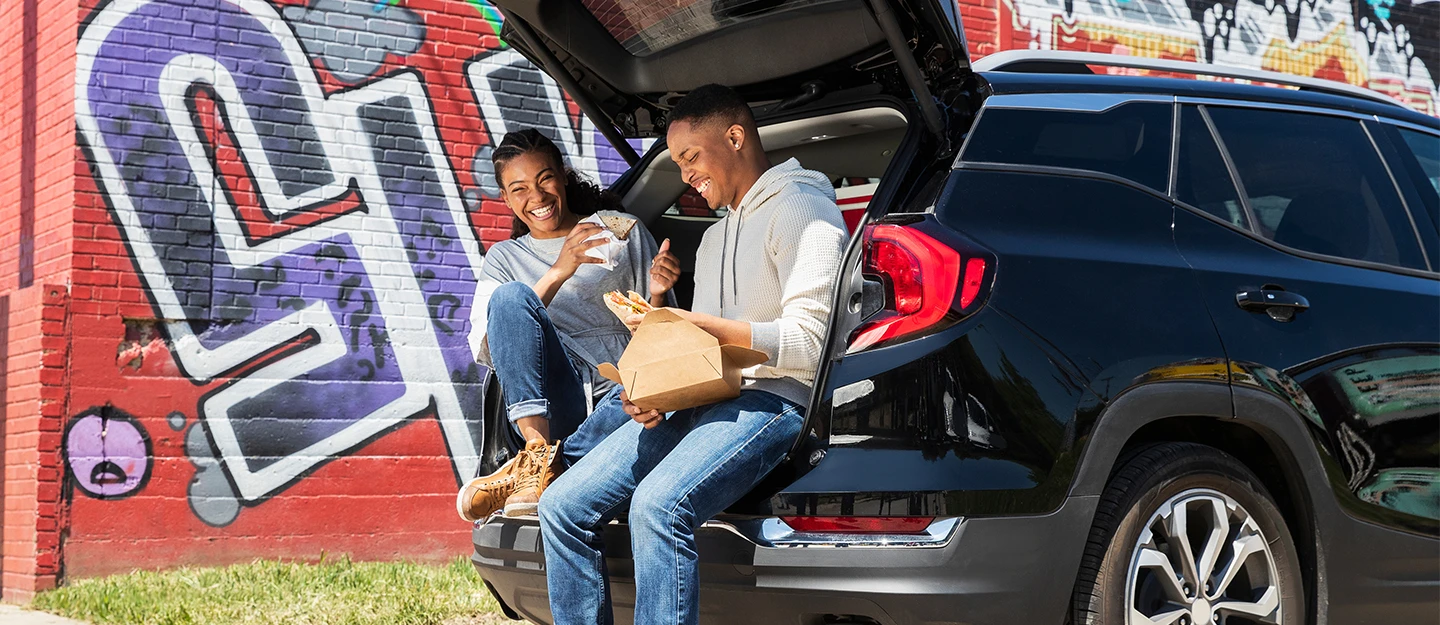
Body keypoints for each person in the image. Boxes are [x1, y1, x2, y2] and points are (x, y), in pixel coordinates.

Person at [537, 84, 848, 625]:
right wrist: (655, 391)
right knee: (560, 506)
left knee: (657, 507)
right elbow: (697, 353)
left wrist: (693, 323)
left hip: (774, 400)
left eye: (690, 157)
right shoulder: (712, 239)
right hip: (704, 397)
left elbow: (812, 346)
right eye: (678, 163)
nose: (685, 176)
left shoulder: (803, 207)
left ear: (735, 137)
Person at [456, 129, 679, 521]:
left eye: (544, 179)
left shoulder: (618, 229)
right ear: (505, 198)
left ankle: (539, 472)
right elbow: (491, 348)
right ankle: (536, 452)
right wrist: (560, 269)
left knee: (652, 390)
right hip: (556, 403)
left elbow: (666, 336)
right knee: (509, 297)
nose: (537, 197)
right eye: (519, 189)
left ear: (563, 175)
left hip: (623, 396)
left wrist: (658, 294)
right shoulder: (504, 257)